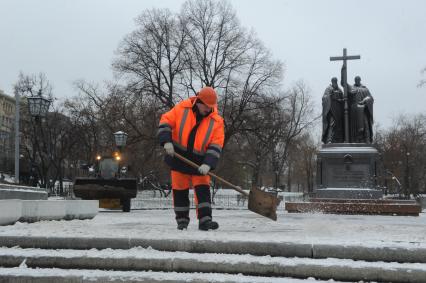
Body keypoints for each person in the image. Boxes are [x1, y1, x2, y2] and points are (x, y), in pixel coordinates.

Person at [157, 86, 225, 231]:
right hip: (178, 158)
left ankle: (205, 221)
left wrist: (208, 164)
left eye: (211, 107)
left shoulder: (217, 121)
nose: (209, 110)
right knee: (179, 190)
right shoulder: (181, 109)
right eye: (207, 106)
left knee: (203, 191)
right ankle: (182, 221)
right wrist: (166, 141)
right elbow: (165, 121)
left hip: (200, 163)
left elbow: (216, 145)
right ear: (199, 102)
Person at [347, 76, 374, 143]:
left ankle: (367, 140)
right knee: (354, 126)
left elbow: (370, 98)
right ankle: (355, 140)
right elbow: (344, 84)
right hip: (354, 110)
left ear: (360, 80)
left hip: (363, 109)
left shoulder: (365, 89)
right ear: (354, 80)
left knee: (365, 124)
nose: (357, 81)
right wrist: (343, 71)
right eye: (355, 80)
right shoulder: (351, 88)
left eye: (358, 79)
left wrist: (364, 101)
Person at [322, 77, 344, 143]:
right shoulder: (328, 89)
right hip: (331, 110)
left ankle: (338, 140)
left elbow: (342, 98)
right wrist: (330, 96)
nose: (335, 82)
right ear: (332, 82)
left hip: (339, 110)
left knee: (338, 125)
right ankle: (329, 139)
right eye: (334, 81)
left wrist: (341, 100)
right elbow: (324, 98)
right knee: (332, 124)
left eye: (336, 81)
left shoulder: (340, 90)